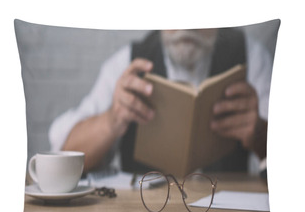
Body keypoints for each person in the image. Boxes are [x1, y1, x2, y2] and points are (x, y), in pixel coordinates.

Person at [49, 28, 273, 175]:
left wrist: (261, 134)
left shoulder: (251, 57)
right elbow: (64, 155)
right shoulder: (127, 63)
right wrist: (111, 120)